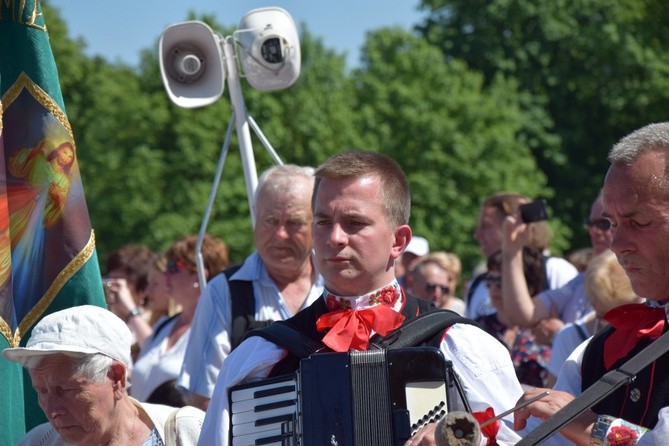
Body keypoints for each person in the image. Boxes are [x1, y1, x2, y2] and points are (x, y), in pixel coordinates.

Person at [199, 151, 524, 446]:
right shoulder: (262, 356)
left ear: (399, 241)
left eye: (354, 223)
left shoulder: (459, 345)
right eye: (323, 222)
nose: (335, 238)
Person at [514, 122, 669, 444]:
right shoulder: (600, 348)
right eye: (610, 222)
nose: (617, 243)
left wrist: (587, 426)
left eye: (639, 221)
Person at [177, 165, 324, 410]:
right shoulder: (224, 292)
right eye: (270, 220)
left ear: (317, 222)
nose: (280, 234)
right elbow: (204, 398)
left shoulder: (339, 287)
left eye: (294, 223)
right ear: (255, 216)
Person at [2, 305, 205, 446]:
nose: (53, 410)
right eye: (42, 391)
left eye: (64, 390)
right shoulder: (37, 442)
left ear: (116, 378)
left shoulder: (188, 432)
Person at [498, 193, 613, 344]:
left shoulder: (638, 287)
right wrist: (512, 251)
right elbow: (524, 314)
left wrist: (562, 334)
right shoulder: (580, 282)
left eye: (603, 223)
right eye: (590, 223)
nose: (594, 231)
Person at [130, 234, 229, 405]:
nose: (165, 274)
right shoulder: (163, 326)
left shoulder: (215, 331)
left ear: (199, 276)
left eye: (173, 267)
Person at [466, 193, 578, 344]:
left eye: (486, 226)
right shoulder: (478, 284)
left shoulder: (555, 270)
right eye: (493, 281)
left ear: (515, 224)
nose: (477, 235)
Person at [546, 249, 643, 386]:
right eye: (604, 316)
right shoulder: (569, 338)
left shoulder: (653, 332)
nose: (614, 325)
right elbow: (553, 401)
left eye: (625, 315)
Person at [485, 247, 552, 388]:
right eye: (490, 279)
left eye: (502, 281)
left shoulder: (546, 331)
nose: (494, 287)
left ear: (528, 286)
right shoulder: (478, 328)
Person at [104, 244, 159, 358]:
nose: (113, 288)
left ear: (143, 288)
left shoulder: (156, 320)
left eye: (120, 283)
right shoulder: (103, 317)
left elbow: (153, 350)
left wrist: (129, 309)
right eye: (111, 279)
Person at [409, 251, 466, 315]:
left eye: (444, 288)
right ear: (413, 283)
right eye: (431, 287)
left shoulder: (463, 312)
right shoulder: (403, 309)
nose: (437, 294)